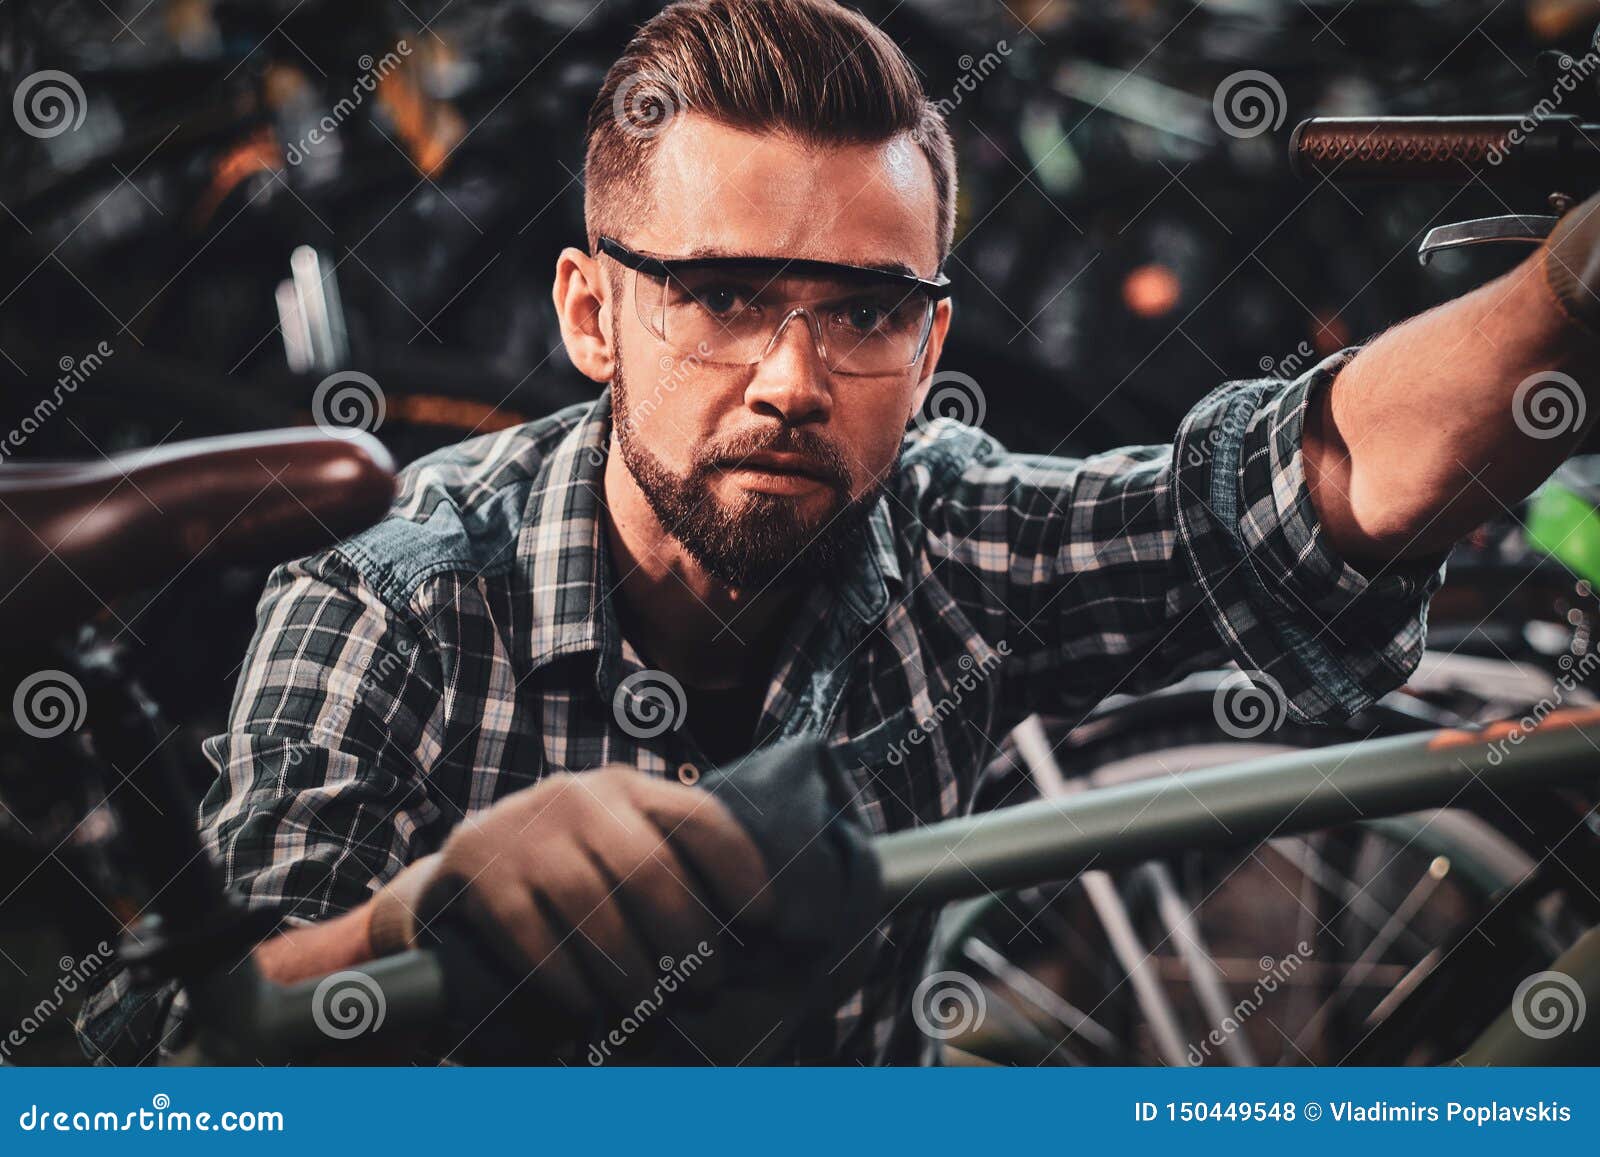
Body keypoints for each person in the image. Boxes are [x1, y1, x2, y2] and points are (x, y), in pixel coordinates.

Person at [79, 0, 1600, 1065]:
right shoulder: (386, 610)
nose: (794, 381)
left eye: (866, 312)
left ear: (929, 349)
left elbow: (1289, 492)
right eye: (724, 296)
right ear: (592, 314)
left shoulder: (941, 539)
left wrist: (1562, 298)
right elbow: (181, 1065)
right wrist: (411, 926)